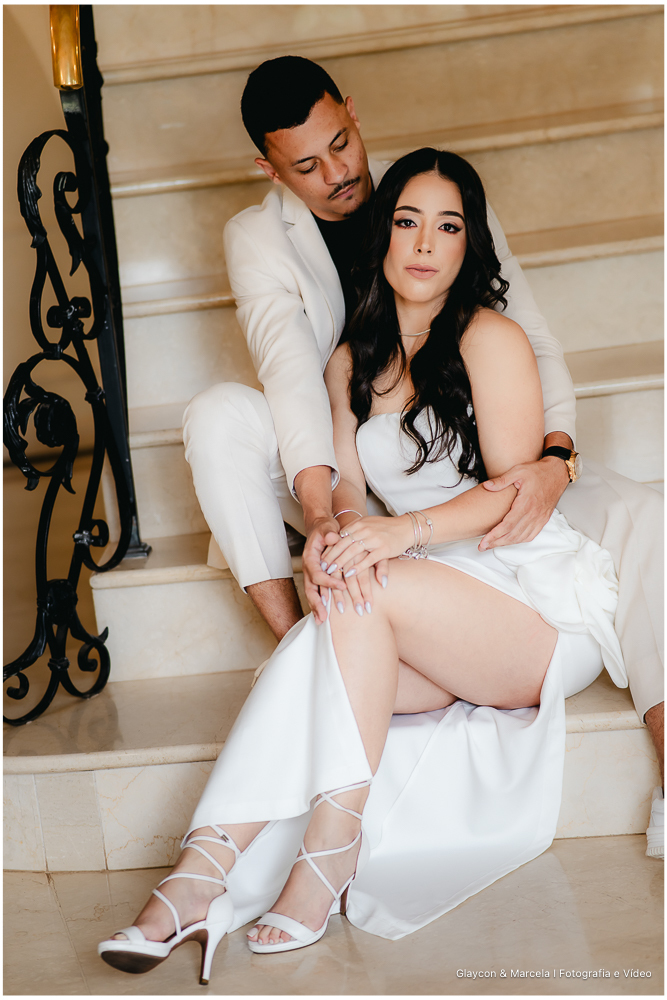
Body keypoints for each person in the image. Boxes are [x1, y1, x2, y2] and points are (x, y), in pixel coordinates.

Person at [99, 149, 625, 982]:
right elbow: (345, 485)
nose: (424, 243)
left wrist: (398, 534)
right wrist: (341, 535)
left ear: (469, 244)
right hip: (425, 607)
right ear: (383, 234)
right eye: (407, 221)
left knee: (363, 595)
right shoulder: (350, 360)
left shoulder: (490, 338)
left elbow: (512, 495)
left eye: (448, 226)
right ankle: (199, 874)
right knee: (331, 632)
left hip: (527, 598)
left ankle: (318, 853)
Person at [182, 57, 663, 854]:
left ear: (353, 113)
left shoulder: (433, 196)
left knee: (643, 513)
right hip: (340, 452)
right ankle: (308, 645)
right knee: (216, 417)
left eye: (341, 144)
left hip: (460, 456)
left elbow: (530, 336)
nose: (337, 173)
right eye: (307, 165)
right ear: (268, 169)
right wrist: (322, 510)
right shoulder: (257, 239)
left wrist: (553, 456)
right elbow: (290, 374)